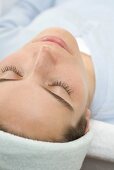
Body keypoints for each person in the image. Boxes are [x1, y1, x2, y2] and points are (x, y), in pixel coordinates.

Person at [0, 0, 114, 142]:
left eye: (11, 72)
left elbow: (28, 6)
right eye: (59, 88)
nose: (43, 53)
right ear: (85, 120)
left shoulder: (4, 45)